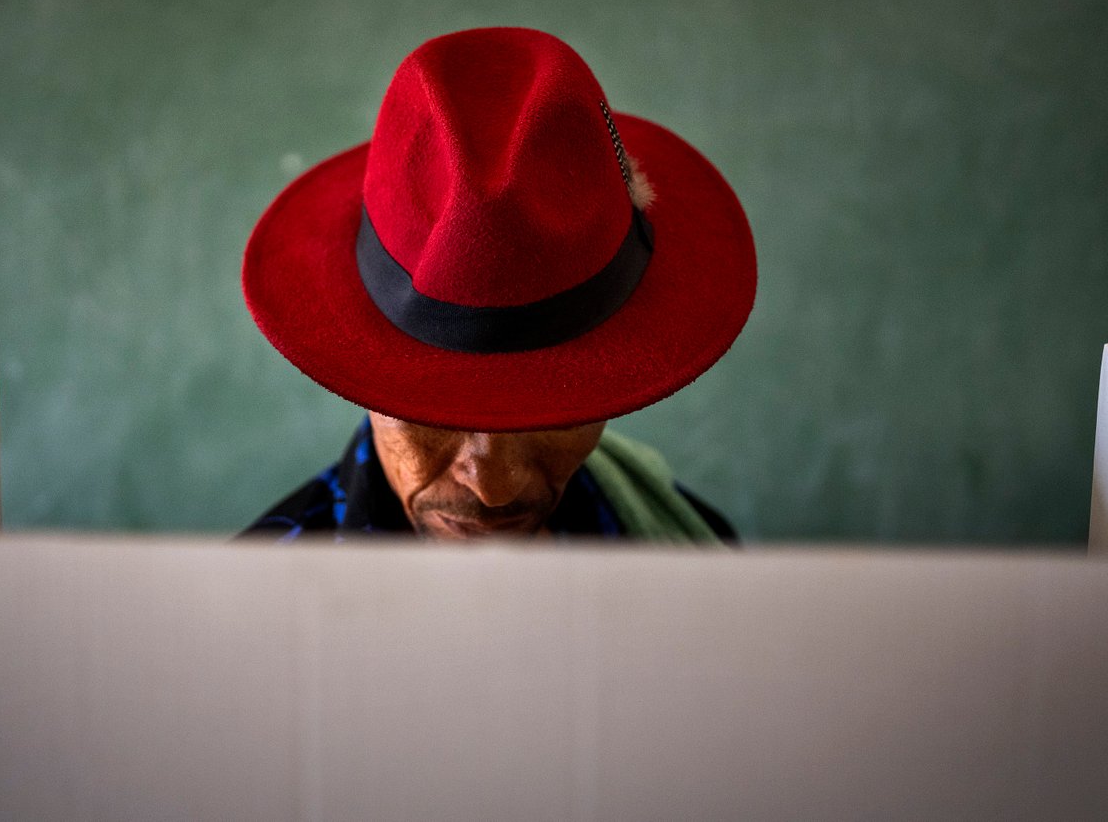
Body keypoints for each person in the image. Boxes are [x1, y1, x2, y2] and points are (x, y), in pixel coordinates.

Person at [239, 27, 756, 541]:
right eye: (432, 408)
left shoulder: (701, 558)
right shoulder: (254, 612)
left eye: (553, 404)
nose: (493, 487)